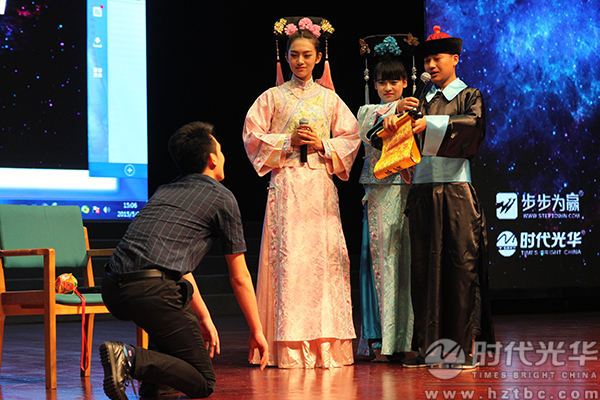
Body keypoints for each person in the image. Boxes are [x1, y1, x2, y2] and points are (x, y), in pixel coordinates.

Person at [99, 121, 268, 400]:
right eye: (221, 151)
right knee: (203, 381)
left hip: (114, 288)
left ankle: (153, 389)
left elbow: (178, 267)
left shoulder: (164, 191)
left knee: (168, 350)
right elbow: (240, 277)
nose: (223, 156)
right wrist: (256, 330)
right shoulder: (222, 198)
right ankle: (128, 358)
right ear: (213, 159)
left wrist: (203, 316)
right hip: (153, 291)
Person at [242, 17, 361, 368]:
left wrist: (323, 144)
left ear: (319, 57)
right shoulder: (272, 98)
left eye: (307, 55)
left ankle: (326, 345)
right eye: (294, 55)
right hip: (287, 187)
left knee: (323, 264)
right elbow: (251, 136)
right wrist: (287, 141)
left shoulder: (330, 99)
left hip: (320, 188)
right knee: (289, 262)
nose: (300, 61)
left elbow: (352, 138)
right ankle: (285, 346)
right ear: (286, 56)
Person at [377, 26, 494, 368]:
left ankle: (462, 349)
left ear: (455, 59)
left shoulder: (469, 95)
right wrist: (395, 122)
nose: (430, 65)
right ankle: (427, 347)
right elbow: (390, 139)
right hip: (424, 191)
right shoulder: (420, 99)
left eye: (437, 59)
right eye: (427, 60)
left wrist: (431, 123)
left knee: (460, 269)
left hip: (456, 191)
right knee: (424, 270)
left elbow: (473, 126)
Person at [355, 35, 416, 362]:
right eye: (382, 82)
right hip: (379, 193)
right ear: (374, 84)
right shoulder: (368, 111)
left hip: (407, 192)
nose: (388, 87)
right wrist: (395, 109)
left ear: (405, 82)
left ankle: (407, 338)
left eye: (394, 82)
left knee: (406, 263)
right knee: (380, 263)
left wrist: (404, 111)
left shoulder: (415, 109)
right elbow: (370, 132)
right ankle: (380, 340)